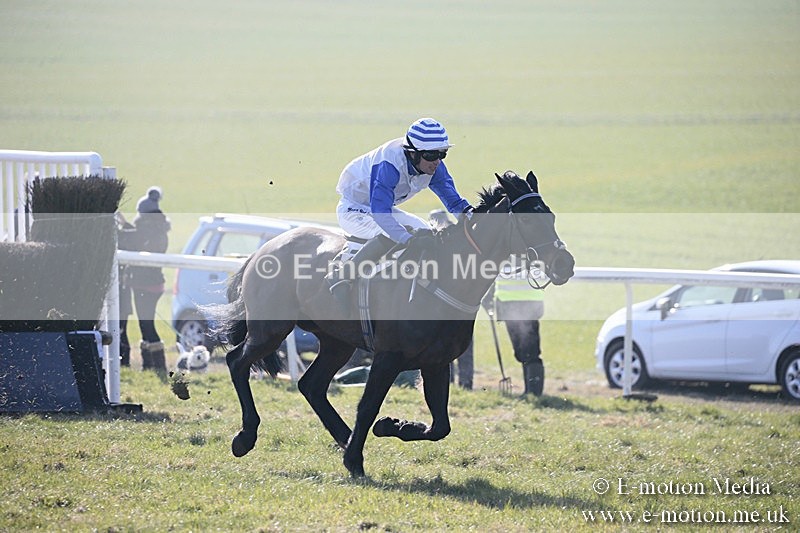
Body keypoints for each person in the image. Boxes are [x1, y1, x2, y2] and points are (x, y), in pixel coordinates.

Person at [326, 118, 473, 304]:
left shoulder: (434, 167)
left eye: (441, 154)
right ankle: (341, 276)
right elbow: (381, 214)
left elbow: (455, 203)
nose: (436, 162)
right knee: (390, 235)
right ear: (412, 153)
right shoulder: (389, 165)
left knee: (426, 231)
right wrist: (408, 240)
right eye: (430, 155)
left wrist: (478, 219)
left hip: (380, 208)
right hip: (353, 209)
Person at [117, 186, 171, 372]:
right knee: (145, 324)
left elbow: (132, 240)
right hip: (153, 283)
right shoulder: (157, 229)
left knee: (146, 325)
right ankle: (150, 365)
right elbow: (136, 238)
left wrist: (123, 225)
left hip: (145, 285)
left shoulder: (147, 230)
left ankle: (155, 365)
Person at [485, 261, 545, 396]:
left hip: (528, 304)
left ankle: (534, 392)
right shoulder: (502, 250)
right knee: (520, 351)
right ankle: (530, 390)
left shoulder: (531, 252)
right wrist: (488, 295)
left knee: (531, 350)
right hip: (507, 304)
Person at [429, 209, 473, 390]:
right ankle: (466, 382)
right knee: (463, 347)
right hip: (463, 304)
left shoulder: (439, 242)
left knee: (444, 346)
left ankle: (452, 381)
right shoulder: (460, 240)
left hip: (443, 305)